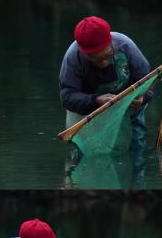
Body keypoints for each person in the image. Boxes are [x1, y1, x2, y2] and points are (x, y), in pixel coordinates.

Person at [59, 16, 153, 152]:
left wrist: (143, 96)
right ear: (84, 53)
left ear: (111, 43)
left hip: (127, 108)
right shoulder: (73, 58)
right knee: (85, 152)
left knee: (137, 147)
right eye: (96, 59)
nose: (104, 64)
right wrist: (95, 100)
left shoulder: (125, 46)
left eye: (107, 56)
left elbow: (147, 79)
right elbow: (67, 97)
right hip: (88, 113)